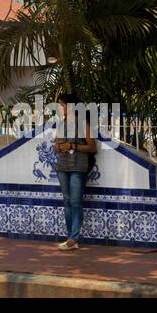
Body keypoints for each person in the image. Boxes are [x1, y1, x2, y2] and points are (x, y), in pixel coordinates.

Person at [53, 93, 96, 251]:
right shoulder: (61, 124)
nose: (60, 107)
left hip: (78, 167)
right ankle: (71, 237)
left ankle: (74, 238)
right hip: (63, 166)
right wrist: (57, 146)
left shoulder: (83, 123)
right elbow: (55, 143)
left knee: (76, 202)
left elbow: (92, 147)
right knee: (67, 201)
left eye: (62, 104)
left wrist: (73, 146)